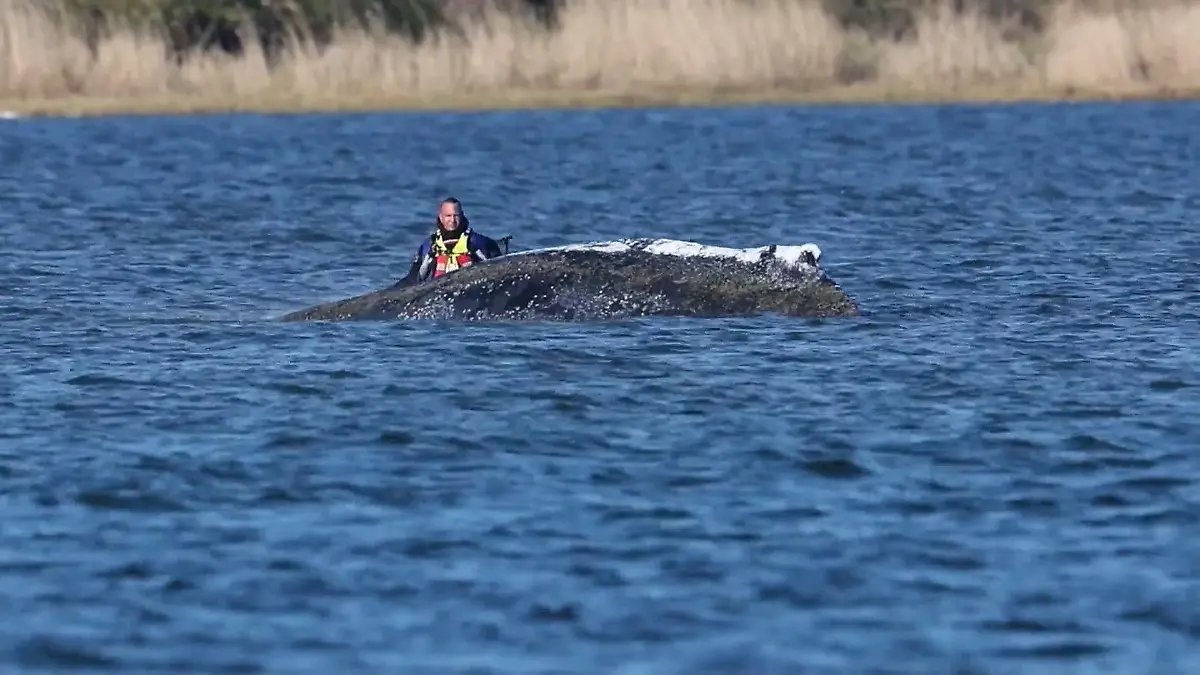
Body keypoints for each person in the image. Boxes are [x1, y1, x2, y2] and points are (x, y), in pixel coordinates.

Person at [398, 197, 504, 285]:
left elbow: (498, 273)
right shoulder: (428, 246)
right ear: (441, 217)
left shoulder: (479, 243)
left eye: (456, 215)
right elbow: (413, 279)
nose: (452, 220)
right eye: (448, 216)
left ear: (462, 216)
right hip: (436, 293)